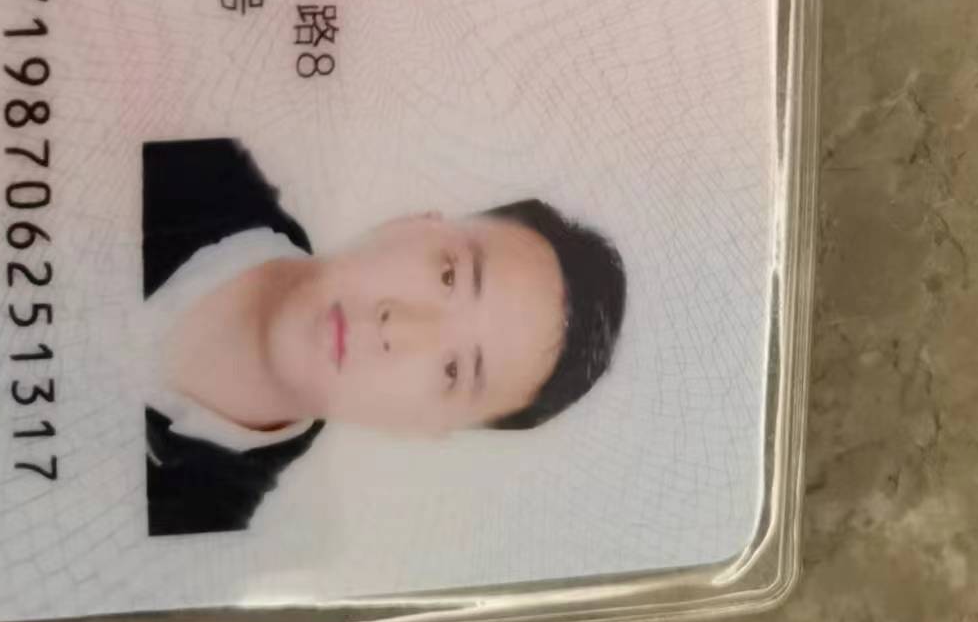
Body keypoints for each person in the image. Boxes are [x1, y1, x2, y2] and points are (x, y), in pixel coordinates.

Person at [143, 137, 627, 536]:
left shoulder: (214, 534)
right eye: (448, 277)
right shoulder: (188, 161)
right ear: (414, 224)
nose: (400, 326)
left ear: (424, 427)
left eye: (452, 370)